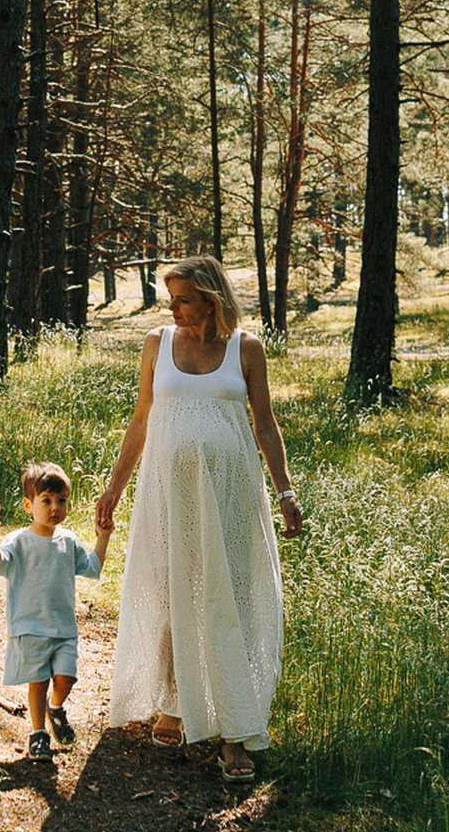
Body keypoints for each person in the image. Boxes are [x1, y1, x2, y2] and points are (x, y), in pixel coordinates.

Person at [96, 255, 303, 783]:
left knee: (226, 599)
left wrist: (285, 491)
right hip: (167, 495)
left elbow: (265, 424)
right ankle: (173, 703)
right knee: (168, 590)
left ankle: (235, 729)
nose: (174, 308)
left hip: (231, 497)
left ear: (211, 298)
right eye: (171, 299)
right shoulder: (156, 344)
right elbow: (141, 421)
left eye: (182, 298)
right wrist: (113, 490)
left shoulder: (246, 349)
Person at [0, 460, 108, 761]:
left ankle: (56, 708)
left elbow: (91, 568)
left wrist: (103, 536)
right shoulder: (19, 541)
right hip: (30, 627)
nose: (55, 508)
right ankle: (38, 734)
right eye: (47, 501)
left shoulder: (69, 542)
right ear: (29, 505)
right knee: (37, 682)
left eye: (61, 501)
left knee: (66, 678)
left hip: (63, 628)